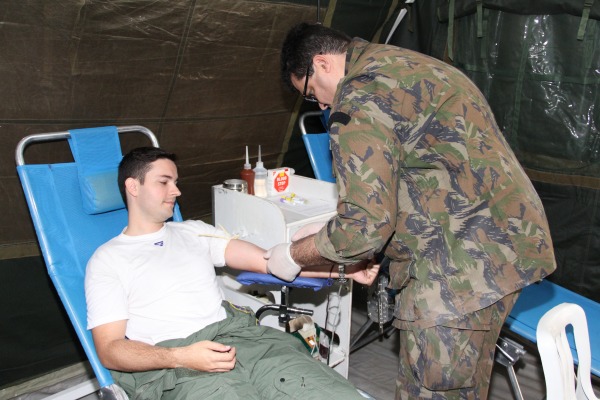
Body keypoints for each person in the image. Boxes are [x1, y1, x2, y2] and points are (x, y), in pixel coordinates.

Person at [269, 22, 557, 400]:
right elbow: (423, 172)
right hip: (509, 241)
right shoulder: (405, 63)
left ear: (322, 64)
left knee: (432, 391)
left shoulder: (358, 101)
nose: (322, 105)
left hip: (459, 270)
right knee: (465, 386)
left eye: (310, 94)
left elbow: (363, 228)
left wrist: (293, 255)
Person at [84, 146, 378, 400]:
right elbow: (110, 350)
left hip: (244, 342)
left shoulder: (194, 231)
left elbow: (269, 261)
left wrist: (344, 269)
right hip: (179, 365)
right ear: (133, 187)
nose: (177, 190)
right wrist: (180, 357)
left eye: (176, 181)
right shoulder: (108, 259)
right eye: (164, 182)